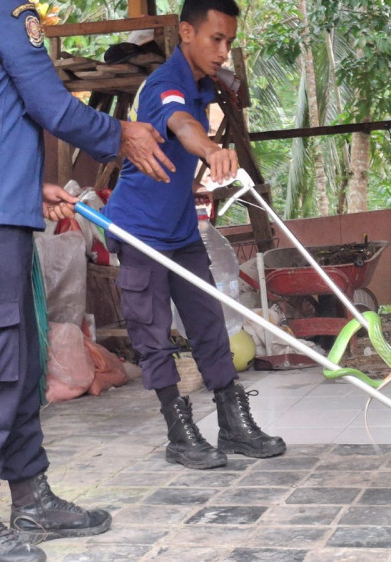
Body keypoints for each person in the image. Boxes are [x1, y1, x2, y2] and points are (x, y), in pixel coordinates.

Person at [0, 0, 175, 559]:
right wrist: (121, 132)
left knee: (22, 363)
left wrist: (29, 192)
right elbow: (49, 104)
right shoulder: (3, 11)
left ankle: (31, 497)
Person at [102, 0, 285, 471]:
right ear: (186, 32)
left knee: (208, 323)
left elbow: (196, 115)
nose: (224, 51)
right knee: (153, 334)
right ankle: (179, 431)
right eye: (215, 39)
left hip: (181, 230)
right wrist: (210, 150)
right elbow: (180, 123)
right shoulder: (166, 83)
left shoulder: (206, 84)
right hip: (139, 232)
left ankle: (232, 422)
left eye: (230, 41)